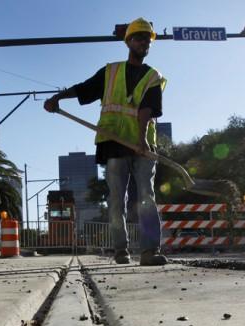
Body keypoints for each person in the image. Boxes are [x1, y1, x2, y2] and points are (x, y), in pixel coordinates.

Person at [44, 17, 167, 266]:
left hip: (142, 147)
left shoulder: (153, 76)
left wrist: (142, 139)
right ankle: (121, 250)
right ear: (128, 41)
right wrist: (58, 97)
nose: (144, 42)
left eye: (147, 39)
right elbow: (84, 88)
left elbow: (147, 109)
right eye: (139, 37)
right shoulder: (110, 72)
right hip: (113, 144)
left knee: (146, 197)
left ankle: (149, 252)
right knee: (115, 201)